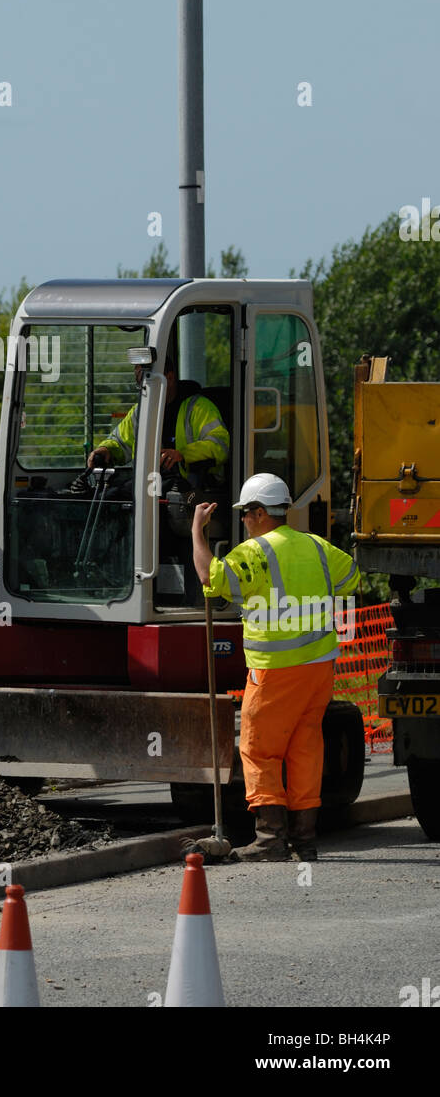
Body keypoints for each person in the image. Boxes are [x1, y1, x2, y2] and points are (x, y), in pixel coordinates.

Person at [191, 473, 360, 862]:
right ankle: (305, 839)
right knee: (304, 748)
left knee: (258, 750)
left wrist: (197, 533)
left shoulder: (254, 554)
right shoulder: (318, 548)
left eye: (246, 514)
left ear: (260, 512)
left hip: (275, 670)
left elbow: (209, 578)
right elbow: (351, 576)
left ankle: (269, 839)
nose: (244, 522)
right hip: (318, 669)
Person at [87, 356, 229, 485]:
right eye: (140, 383)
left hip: (189, 485)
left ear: (170, 378)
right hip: (149, 484)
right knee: (112, 495)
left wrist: (182, 454)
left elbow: (219, 445)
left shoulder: (198, 407)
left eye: (149, 382)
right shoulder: (140, 411)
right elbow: (120, 441)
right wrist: (105, 449)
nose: (144, 389)